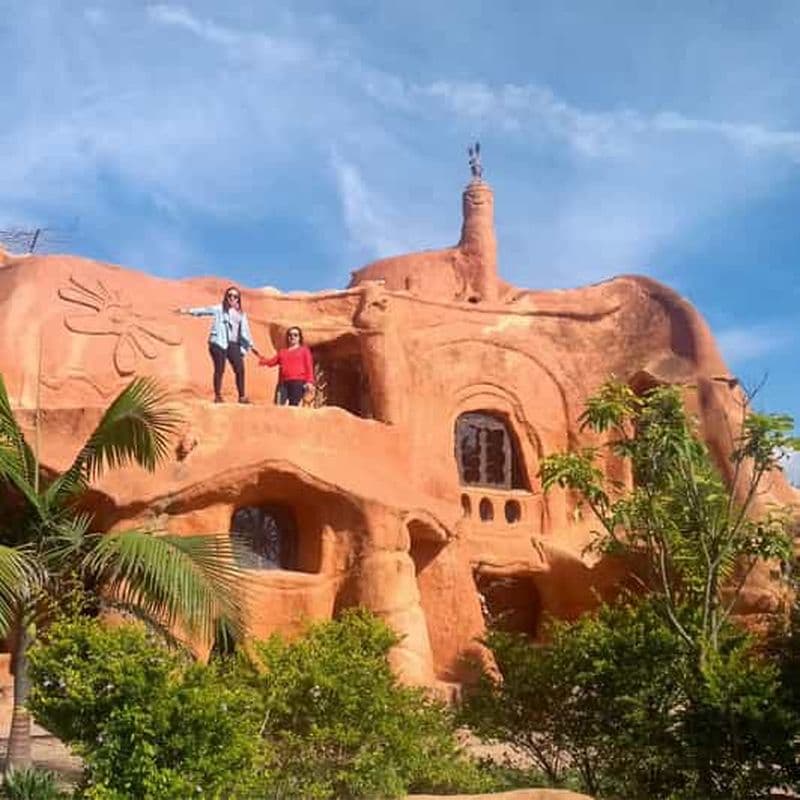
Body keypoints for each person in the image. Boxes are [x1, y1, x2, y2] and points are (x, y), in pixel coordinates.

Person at [176, 286, 261, 403]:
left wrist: (251, 345)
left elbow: (245, 331)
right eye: (230, 295)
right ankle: (218, 396)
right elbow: (204, 310)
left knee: (240, 369)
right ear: (226, 297)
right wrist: (187, 311)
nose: (232, 298)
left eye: (235, 296)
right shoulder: (219, 309)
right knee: (219, 369)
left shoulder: (241, 314)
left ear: (238, 299)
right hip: (219, 342)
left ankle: (242, 396)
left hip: (234, 344)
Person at [259, 326, 314, 406]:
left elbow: (309, 366)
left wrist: (310, 382)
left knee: (294, 406)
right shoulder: (282, 352)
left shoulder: (304, 351)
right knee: (279, 404)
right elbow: (272, 362)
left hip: (298, 382)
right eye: (290, 335)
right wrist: (263, 360)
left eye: (295, 335)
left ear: (299, 337)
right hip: (283, 383)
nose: (292, 337)